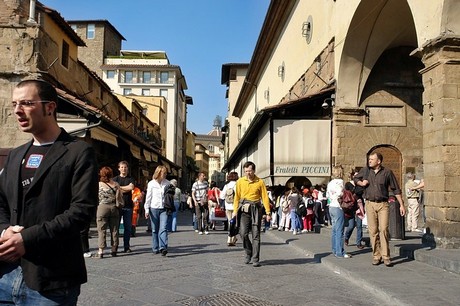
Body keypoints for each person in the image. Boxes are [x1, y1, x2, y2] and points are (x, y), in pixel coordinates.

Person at [0, 79, 98, 304]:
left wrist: (26, 238)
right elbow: (0, 202)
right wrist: (4, 231)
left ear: (50, 107)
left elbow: (81, 213)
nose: (17, 110)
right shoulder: (15, 155)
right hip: (6, 276)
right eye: (15, 104)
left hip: (52, 281)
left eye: (26, 103)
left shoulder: (78, 152)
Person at [354, 152, 406, 266]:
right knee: (373, 231)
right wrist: (361, 183)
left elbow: (396, 189)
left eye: (372, 159)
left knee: (383, 229)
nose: (370, 161)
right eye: (369, 159)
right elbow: (355, 178)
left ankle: (386, 256)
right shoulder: (366, 171)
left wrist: (401, 205)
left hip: (383, 204)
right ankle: (376, 256)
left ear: (379, 161)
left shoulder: (387, 172)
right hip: (370, 203)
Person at [233, 161, 271, 267]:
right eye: (246, 171)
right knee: (243, 233)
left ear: (254, 170)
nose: (248, 173)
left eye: (249, 171)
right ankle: (248, 252)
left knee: (256, 235)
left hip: (256, 210)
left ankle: (255, 258)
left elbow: (264, 197)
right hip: (244, 210)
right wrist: (235, 211)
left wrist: (268, 212)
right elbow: (237, 197)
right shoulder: (240, 181)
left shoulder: (260, 182)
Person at [144, 165, 170, 256]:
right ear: (159, 173)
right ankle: (155, 247)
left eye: (166, 173)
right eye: (164, 173)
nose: (165, 175)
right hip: (154, 208)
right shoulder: (151, 183)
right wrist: (146, 209)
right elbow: (148, 197)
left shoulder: (167, 183)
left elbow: (170, 196)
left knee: (163, 228)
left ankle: (163, 247)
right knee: (155, 229)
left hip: (164, 208)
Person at [327, 166, 352, 259]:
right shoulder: (340, 182)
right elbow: (340, 193)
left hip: (331, 206)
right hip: (338, 207)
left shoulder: (330, 183)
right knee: (339, 230)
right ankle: (340, 251)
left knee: (334, 230)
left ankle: (334, 249)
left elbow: (328, 195)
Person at [96, 166, 121, 258]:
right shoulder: (116, 184)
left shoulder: (98, 185)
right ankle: (114, 250)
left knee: (101, 230)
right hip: (113, 207)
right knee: (114, 230)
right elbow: (119, 197)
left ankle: (101, 251)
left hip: (102, 207)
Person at [113, 161, 135, 253]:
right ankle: (115, 246)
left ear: (127, 168)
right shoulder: (115, 179)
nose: (123, 169)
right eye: (122, 167)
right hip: (117, 206)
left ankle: (126, 246)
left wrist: (119, 188)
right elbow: (113, 189)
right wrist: (124, 188)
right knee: (115, 227)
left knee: (128, 227)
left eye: (125, 167)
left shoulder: (131, 179)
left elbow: (131, 188)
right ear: (118, 168)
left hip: (128, 206)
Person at [344, 171, 365, 249]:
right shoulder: (348, 184)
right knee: (351, 225)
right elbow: (347, 194)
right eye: (356, 176)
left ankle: (358, 243)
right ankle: (346, 237)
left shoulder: (361, 184)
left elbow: (361, 192)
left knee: (359, 225)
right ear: (352, 176)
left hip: (359, 205)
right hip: (351, 206)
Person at [220, 171, 238, 246]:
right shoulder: (238, 184)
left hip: (228, 206)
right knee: (235, 223)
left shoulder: (226, 186)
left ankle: (229, 238)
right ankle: (232, 237)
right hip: (235, 206)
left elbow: (222, 196)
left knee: (230, 222)